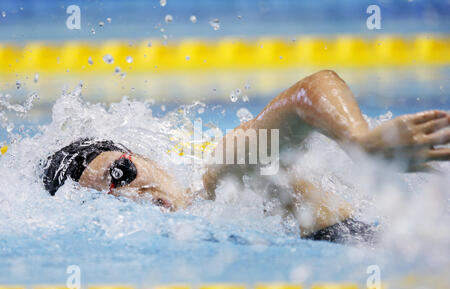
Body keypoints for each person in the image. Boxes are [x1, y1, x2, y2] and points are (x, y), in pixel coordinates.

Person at [41, 70, 450, 243]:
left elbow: (311, 90)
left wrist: (362, 142)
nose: (130, 194)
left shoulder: (222, 180)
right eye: (102, 200)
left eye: (120, 172)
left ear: (141, 157)